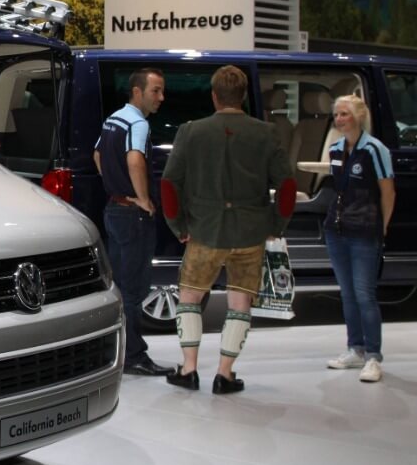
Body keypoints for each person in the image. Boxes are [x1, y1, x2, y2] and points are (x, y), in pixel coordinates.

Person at [160, 65, 296, 394]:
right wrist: (276, 225)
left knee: (190, 297)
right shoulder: (266, 133)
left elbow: (169, 184)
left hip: (204, 231)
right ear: (244, 96)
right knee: (240, 302)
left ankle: (189, 369)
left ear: (214, 96)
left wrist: (178, 225)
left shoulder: (191, 131)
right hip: (250, 233)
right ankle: (225, 374)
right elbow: (288, 186)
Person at [93, 67, 173, 377]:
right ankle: (133, 356)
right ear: (137, 92)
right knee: (134, 289)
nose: (161, 97)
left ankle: (117, 351)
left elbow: (97, 154)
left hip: (114, 209)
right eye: (156, 91)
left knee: (118, 285)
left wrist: (115, 185)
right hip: (132, 215)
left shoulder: (114, 119)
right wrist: (141, 198)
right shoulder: (138, 123)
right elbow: (135, 159)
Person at [323, 94, 395, 382]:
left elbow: (388, 192)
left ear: (359, 117)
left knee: (364, 293)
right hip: (337, 229)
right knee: (347, 293)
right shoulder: (336, 149)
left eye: (345, 114)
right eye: (337, 114)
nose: (339, 119)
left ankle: (374, 356)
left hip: (365, 230)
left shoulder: (375, 150)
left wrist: (382, 226)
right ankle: (355, 348)